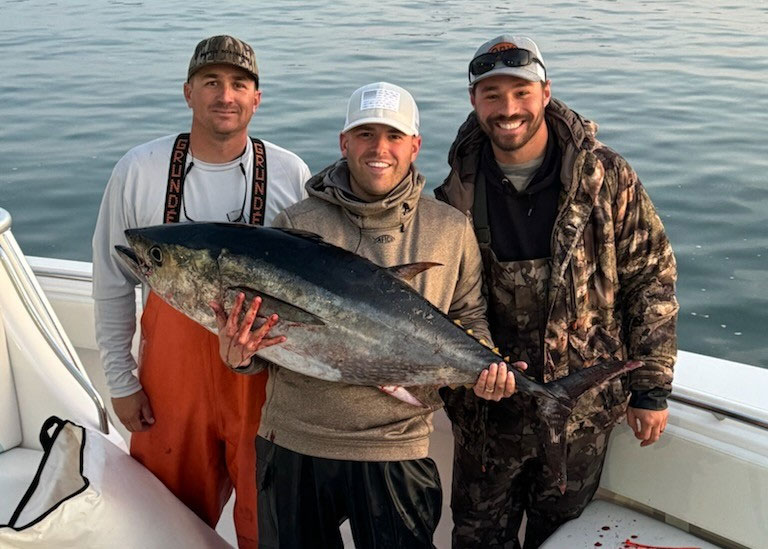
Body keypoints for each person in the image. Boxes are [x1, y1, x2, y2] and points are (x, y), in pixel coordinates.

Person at [212, 81, 520, 548]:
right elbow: (269, 339)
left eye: (394, 136)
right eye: (365, 134)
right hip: (296, 440)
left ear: (415, 146)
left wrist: (485, 366)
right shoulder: (298, 225)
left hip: (396, 446)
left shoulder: (449, 228)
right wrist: (238, 356)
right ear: (344, 142)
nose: (380, 149)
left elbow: (468, 315)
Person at [435, 35, 679, 548]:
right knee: (477, 538)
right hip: (486, 418)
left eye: (521, 92)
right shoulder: (454, 191)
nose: (508, 109)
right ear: (473, 100)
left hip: (581, 416)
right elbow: (444, 302)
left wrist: (651, 387)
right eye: (492, 94)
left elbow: (651, 278)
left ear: (546, 92)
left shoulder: (606, 176)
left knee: (563, 538)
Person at [91, 35, 311, 547]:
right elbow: (111, 280)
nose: (225, 95)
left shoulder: (288, 173)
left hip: (264, 385)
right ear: (188, 92)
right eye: (211, 82)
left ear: (258, 97)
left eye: (239, 84)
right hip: (171, 393)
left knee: (271, 526)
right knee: (165, 526)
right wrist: (122, 382)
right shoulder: (138, 170)